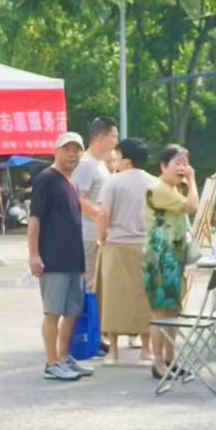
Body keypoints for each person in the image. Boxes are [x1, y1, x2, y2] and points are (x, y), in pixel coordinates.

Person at [28, 132, 92, 382]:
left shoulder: (71, 183)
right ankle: (52, 363)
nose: (72, 155)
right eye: (67, 149)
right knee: (53, 311)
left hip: (74, 258)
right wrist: (34, 255)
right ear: (56, 151)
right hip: (53, 259)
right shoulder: (46, 180)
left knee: (72, 311)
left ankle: (64, 357)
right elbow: (35, 219)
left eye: (77, 150)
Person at [94, 137, 155, 364]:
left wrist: (101, 237)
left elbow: (103, 214)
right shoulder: (154, 182)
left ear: (127, 160)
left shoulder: (113, 181)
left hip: (117, 244)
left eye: (118, 157)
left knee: (113, 297)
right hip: (145, 245)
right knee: (144, 297)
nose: (116, 161)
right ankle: (146, 350)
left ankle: (114, 352)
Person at [144, 144, 199, 379]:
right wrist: (193, 180)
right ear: (163, 166)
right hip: (160, 258)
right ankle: (158, 361)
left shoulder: (172, 189)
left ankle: (170, 359)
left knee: (172, 311)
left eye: (185, 163)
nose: (183, 168)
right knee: (161, 312)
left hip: (173, 258)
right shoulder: (159, 189)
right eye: (178, 163)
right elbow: (192, 206)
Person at [73, 117, 117, 291]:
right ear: (100, 137)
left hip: (97, 235)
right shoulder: (87, 164)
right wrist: (103, 216)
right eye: (113, 137)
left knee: (97, 286)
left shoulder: (99, 164)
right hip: (88, 236)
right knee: (89, 286)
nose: (116, 142)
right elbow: (77, 199)